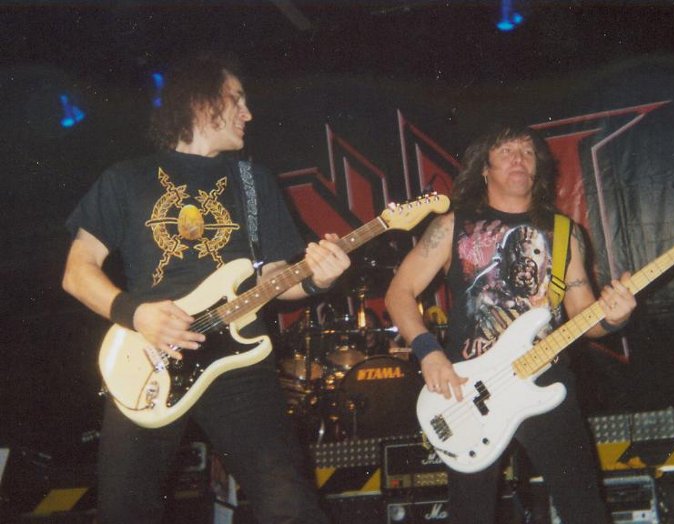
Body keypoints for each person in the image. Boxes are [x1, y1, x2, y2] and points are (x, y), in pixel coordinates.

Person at [62, 52, 349, 523]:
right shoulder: (126, 178)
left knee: (290, 504)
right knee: (124, 512)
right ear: (199, 101)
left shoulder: (252, 181)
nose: (248, 113)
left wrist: (319, 279)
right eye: (237, 99)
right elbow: (77, 271)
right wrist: (136, 313)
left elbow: (274, 279)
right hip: (151, 355)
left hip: (239, 360)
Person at [385, 125, 636, 523]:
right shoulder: (453, 225)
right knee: (471, 516)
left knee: (584, 510)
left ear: (538, 168)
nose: (519, 158)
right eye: (506, 151)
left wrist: (615, 318)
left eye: (528, 152)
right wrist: (428, 352)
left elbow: (587, 319)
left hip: (546, 381)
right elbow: (399, 292)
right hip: (468, 390)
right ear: (484, 168)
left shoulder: (564, 232)